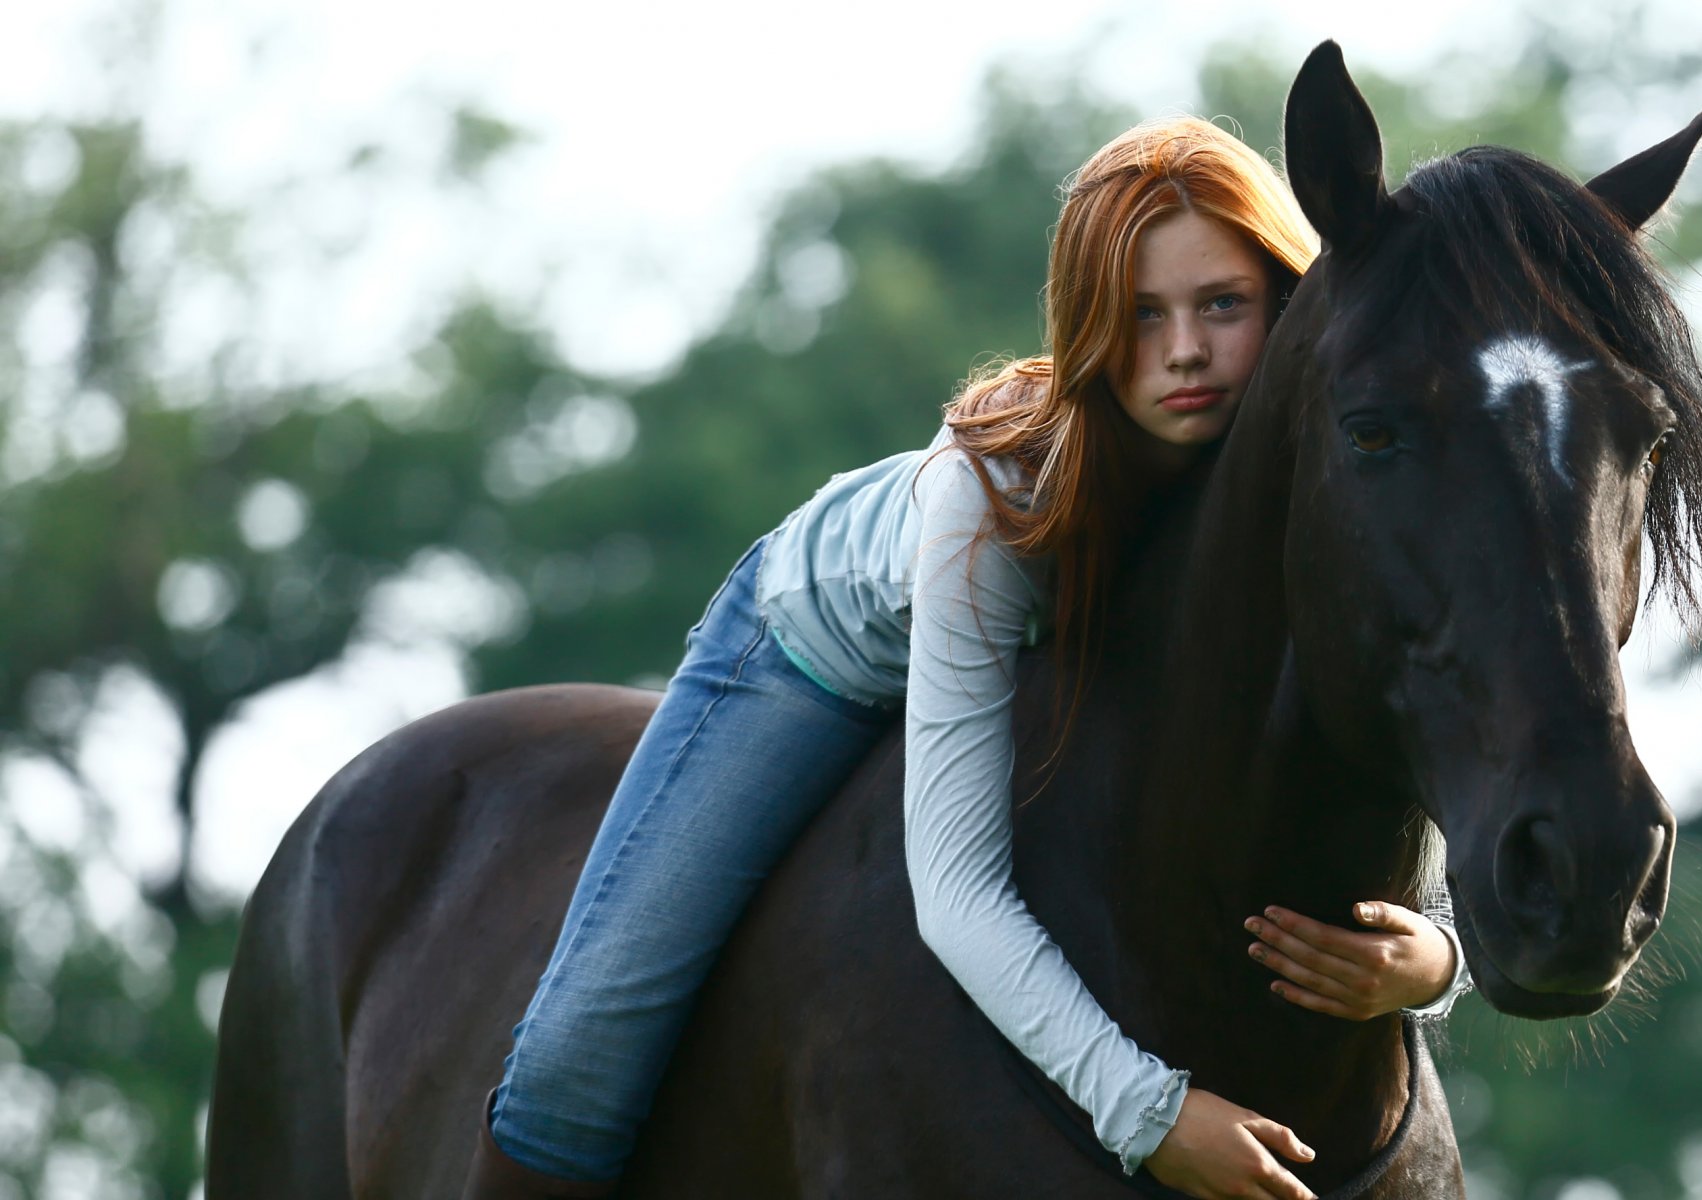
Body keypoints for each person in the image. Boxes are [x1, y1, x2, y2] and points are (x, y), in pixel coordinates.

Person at [463, 115, 1473, 1200]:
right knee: (581, 1048)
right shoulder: (994, 505)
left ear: (1285, 301)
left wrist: (1437, 960)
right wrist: (1151, 1114)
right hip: (813, 650)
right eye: (1139, 317)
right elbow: (953, 891)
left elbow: (1401, 703)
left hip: (1037, 666)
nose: (1183, 351)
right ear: (1089, 326)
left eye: (1220, 305)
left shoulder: (1317, 469)